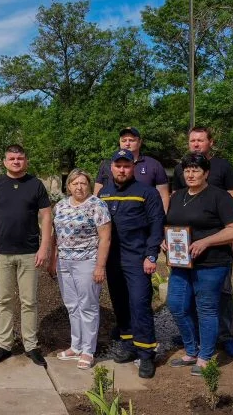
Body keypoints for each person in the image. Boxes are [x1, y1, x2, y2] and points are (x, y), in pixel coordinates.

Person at [166, 153, 233, 375]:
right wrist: (165, 240)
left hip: (212, 263)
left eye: (196, 170)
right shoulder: (178, 196)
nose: (190, 174)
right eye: (187, 170)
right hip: (182, 263)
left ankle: (205, 357)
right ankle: (191, 350)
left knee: (206, 309)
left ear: (206, 173)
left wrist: (206, 242)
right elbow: (171, 224)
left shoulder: (219, 196)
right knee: (176, 305)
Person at [0, 144, 53, 367]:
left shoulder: (36, 185)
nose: (16, 162)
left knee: (29, 301)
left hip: (30, 253)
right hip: (1, 253)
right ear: (5, 161)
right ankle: (5, 345)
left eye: (20, 158)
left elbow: (47, 217)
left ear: (26, 161)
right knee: (5, 300)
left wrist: (44, 248)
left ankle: (31, 345)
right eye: (12, 158)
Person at [98, 149, 165, 379]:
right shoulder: (103, 194)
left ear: (133, 167)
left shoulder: (147, 192)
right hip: (112, 259)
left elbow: (157, 225)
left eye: (126, 166)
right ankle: (128, 344)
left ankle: (146, 353)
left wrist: (151, 255)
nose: (122, 169)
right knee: (120, 303)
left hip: (137, 259)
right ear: (112, 168)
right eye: (118, 166)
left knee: (139, 304)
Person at [49, 169, 111, 370]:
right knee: (72, 305)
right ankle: (75, 346)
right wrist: (53, 260)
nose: (79, 187)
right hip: (64, 262)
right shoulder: (60, 206)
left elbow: (105, 238)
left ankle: (88, 350)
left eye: (83, 183)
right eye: (75, 183)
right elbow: (55, 236)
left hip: (87, 261)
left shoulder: (97, 206)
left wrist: (100, 266)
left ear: (89, 185)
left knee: (88, 306)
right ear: (68, 186)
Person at [94, 127, 170, 213]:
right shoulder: (106, 165)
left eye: (131, 140)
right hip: (110, 218)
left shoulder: (153, 165)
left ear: (139, 142)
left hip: (142, 219)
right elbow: (96, 195)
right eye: (124, 140)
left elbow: (163, 196)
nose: (127, 144)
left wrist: (161, 219)